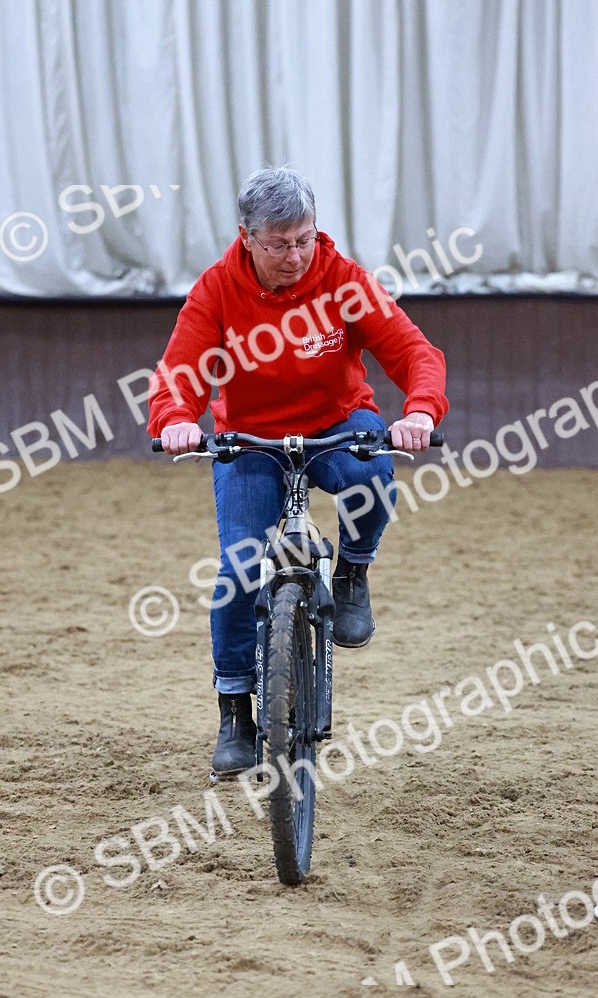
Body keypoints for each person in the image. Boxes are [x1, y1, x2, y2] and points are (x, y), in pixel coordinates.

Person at [148, 167, 448, 776]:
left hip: (337, 424)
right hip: (250, 440)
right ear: (247, 237)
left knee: (372, 477)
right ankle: (236, 708)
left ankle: (353, 573)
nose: (295, 255)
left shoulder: (345, 282)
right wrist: (175, 417)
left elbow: (415, 352)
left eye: (305, 239)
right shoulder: (215, 291)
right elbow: (179, 372)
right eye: (279, 243)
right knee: (238, 570)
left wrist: (419, 409)